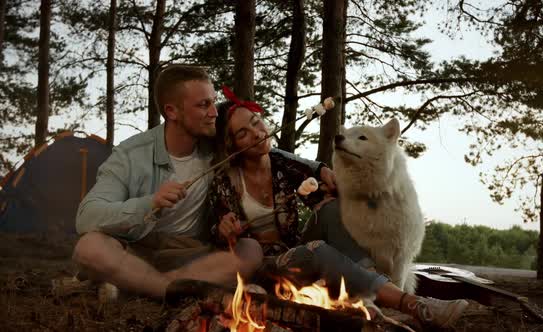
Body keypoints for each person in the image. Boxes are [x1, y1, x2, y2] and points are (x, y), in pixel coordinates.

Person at [207, 89, 470, 328]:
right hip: (264, 268)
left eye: (256, 122)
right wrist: (225, 230)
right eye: (243, 133)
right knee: (318, 250)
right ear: (232, 145)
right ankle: (414, 305)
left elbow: (320, 187)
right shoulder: (224, 181)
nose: (256, 133)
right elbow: (216, 235)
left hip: (296, 251)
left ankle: (368, 293)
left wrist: (328, 185)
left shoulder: (282, 164)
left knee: (333, 210)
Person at [72, 65, 334, 299]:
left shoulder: (215, 145)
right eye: (203, 105)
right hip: (137, 250)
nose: (213, 113)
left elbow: (261, 145)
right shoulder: (130, 155)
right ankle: (166, 289)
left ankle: (142, 284)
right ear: (172, 111)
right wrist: (148, 203)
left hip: (193, 254)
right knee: (89, 246)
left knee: (250, 251)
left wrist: (317, 168)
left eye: (213, 102)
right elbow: (86, 215)